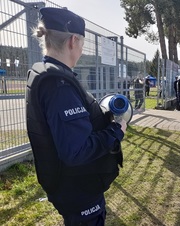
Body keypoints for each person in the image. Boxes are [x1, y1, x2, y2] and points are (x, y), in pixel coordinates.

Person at [26, 7, 127, 226]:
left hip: (69, 183)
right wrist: (115, 131)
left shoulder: (46, 71)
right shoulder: (59, 85)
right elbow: (76, 151)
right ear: (73, 41)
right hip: (78, 189)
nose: (81, 49)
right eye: (82, 42)